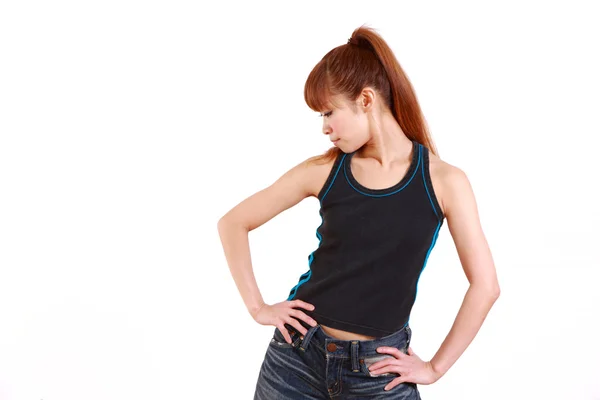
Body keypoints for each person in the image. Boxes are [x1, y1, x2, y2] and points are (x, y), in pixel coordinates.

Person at [217, 25, 500, 399]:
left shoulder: (445, 182)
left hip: (380, 372)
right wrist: (258, 308)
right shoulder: (322, 171)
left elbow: (486, 286)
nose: (324, 127)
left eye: (329, 111)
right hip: (296, 361)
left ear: (366, 99)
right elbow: (233, 222)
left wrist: (434, 368)